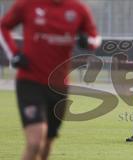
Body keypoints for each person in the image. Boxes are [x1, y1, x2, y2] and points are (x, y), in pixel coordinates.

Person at [0, 0, 101, 159]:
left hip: (59, 86)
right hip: (30, 82)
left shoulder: (78, 9)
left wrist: (87, 41)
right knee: (35, 142)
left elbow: (95, 38)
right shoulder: (27, 4)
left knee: (47, 143)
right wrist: (14, 54)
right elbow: (3, 26)